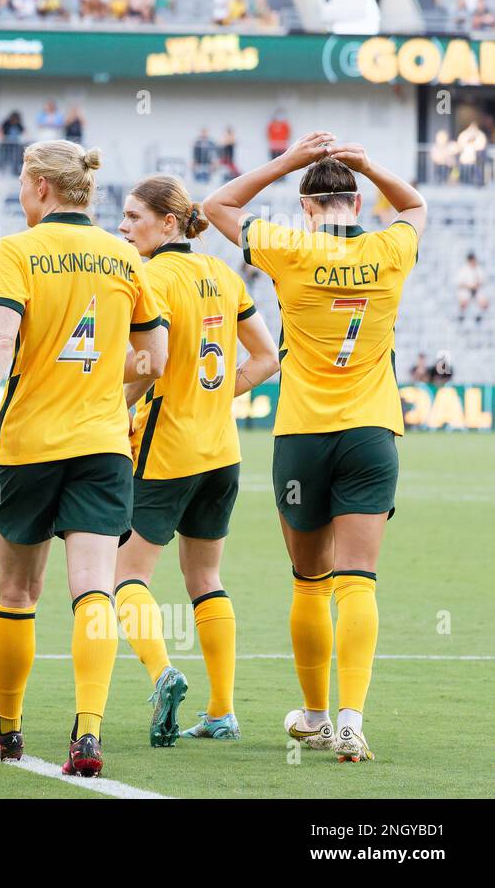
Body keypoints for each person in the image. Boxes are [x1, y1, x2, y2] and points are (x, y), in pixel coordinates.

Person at [203, 132, 427, 763]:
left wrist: (289, 159)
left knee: (310, 581)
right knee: (360, 581)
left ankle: (317, 716)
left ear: (305, 208)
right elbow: (414, 208)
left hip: (302, 433)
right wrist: (368, 164)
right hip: (371, 430)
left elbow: (217, 206)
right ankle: (354, 720)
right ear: (357, 205)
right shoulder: (388, 248)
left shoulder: (289, 247)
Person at [0, 140, 167, 774]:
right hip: (101, 446)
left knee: (17, 593)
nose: (19, 192)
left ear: (42, 186)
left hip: (28, 447)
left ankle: (11, 728)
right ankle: (89, 734)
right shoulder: (124, 255)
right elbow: (154, 358)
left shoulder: (19, 250)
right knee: (94, 590)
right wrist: (116, 397)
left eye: (22, 180)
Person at [114, 174, 279, 746]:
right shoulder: (222, 273)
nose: (122, 225)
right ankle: (222, 710)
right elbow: (266, 357)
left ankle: (162, 675)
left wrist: (112, 407)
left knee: (124, 577)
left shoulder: (150, 275)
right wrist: (214, 393)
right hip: (222, 451)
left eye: (133, 216)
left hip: (168, 447)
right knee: (206, 577)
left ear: (168, 222)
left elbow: (144, 365)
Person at [456, 251, 488, 323]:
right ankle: (461, 317)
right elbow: (459, 283)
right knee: (463, 301)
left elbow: (483, 280)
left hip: (477, 290)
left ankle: (480, 317)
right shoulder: (463, 270)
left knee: (484, 302)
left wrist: (477, 285)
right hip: (466, 290)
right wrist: (469, 286)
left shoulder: (479, 268)